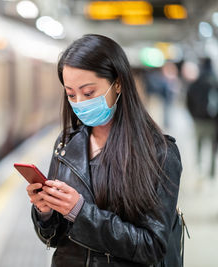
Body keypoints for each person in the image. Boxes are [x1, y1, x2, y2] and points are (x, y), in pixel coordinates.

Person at [26, 34, 185, 267]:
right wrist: (46, 212)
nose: (79, 102)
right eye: (71, 94)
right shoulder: (66, 145)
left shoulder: (159, 153)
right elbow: (54, 238)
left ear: (118, 83)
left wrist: (80, 212)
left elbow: (152, 246)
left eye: (88, 93)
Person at [186, 57, 218, 180]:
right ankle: (211, 172)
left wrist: (193, 115)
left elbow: (188, 101)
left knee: (199, 145)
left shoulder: (196, 83)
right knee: (213, 147)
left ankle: (198, 168)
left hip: (198, 120)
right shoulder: (215, 82)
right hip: (213, 122)